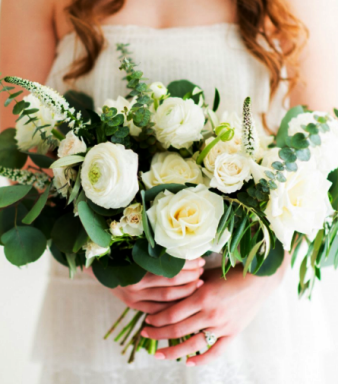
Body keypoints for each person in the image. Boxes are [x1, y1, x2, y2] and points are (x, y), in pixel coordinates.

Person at [1, 0, 338, 383]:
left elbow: (324, 156)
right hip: (97, 317)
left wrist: (259, 281)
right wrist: (103, 259)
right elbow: (23, 156)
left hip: (248, 320)